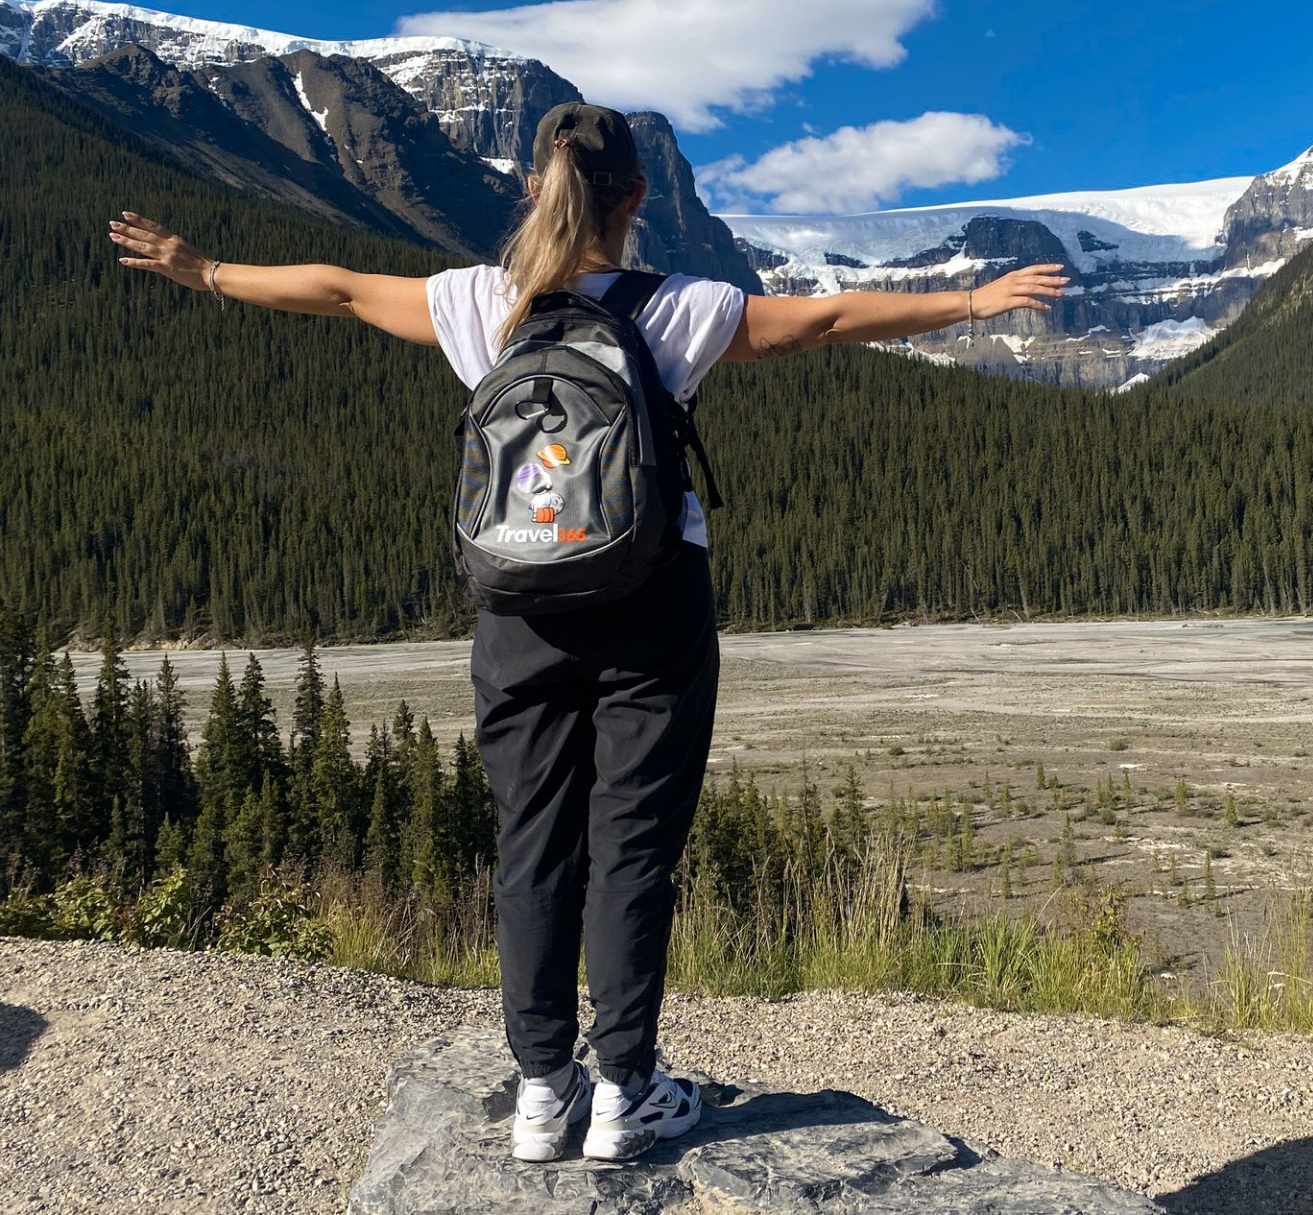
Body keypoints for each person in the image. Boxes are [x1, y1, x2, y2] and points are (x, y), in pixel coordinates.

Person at [110, 101, 1067, 1163]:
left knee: (531, 843)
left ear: (533, 188)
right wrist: (975, 300)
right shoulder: (680, 309)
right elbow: (829, 319)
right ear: (637, 199)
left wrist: (204, 271)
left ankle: (538, 1090)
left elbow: (334, 290)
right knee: (632, 850)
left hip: (517, 604)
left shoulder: (482, 303)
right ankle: (625, 1091)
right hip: (650, 601)